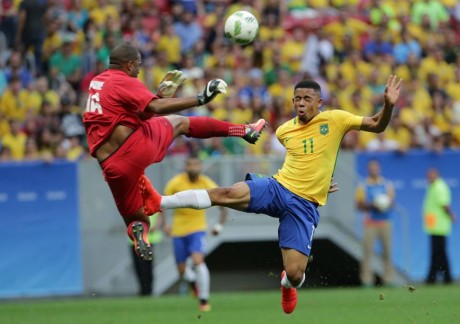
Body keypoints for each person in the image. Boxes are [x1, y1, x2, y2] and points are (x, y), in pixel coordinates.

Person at [140, 75, 402, 314]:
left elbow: (377, 125)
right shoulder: (284, 131)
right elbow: (302, 161)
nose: (300, 104)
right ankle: (160, 201)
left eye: (307, 99)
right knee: (226, 192)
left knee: (296, 273)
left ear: (319, 102)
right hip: (278, 187)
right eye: (296, 99)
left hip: (304, 205)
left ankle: (287, 284)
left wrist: (388, 105)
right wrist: (318, 179)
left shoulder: (336, 119)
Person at [82, 43, 267, 262]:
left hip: (111, 167)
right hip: (133, 148)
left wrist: (157, 97)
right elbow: (156, 109)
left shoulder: (97, 82)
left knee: (137, 219)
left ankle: (142, 238)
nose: (139, 71)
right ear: (129, 64)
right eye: (138, 66)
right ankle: (244, 130)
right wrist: (200, 99)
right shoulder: (122, 80)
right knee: (180, 123)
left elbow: (135, 115)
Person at [162, 156, 228, 312]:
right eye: (190, 164)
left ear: (201, 167)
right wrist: (164, 224)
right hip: (178, 230)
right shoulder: (175, 182)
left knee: (198, 261)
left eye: (196, 164)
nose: (193, 167)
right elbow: (162, 204)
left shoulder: (206, 183)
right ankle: (193, 285)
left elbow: (223, 204)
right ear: (186, 167)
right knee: (182, 271)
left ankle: (204, 300)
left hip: (197, 228)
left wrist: (219, 225)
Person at [356, 159, 396, 287]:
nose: (373, 170)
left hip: (385, 222)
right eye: (371, 168)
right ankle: (367, 280)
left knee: (387, 251)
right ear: (368, 170)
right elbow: (359, 205)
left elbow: (392, 203)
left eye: (375, 168)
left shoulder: (386, 185)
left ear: (379, 169)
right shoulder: (363, 185)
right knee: (367, 251)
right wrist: (372, 205)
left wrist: (385, 204)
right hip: (370, 222)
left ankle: (388, 279)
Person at [423, 168, 456, 284]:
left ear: (437, 175)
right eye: (428, 175)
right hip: (434, 225)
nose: (429, 177)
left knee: (439, 253)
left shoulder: (439, 187)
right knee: (438, 253)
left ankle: (438, 278)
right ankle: (441, 277)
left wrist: (451, 215)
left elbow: (444, 204)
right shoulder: (432, 186)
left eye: (431, 175)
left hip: (440, 226)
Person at [129, 212, 163, 296]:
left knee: (146, 265)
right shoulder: (131, 200)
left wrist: (156, 226)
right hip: (134, 238)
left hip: (149, 237)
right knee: (138, 266)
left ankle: (148, 290)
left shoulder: (151, 199)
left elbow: (160, 212)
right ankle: (143, 289)